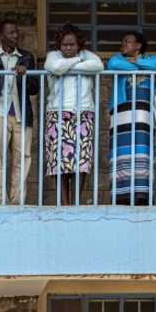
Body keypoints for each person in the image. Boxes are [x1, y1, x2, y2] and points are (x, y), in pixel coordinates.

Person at [0, 19, 39, 205]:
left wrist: (25, 74)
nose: (16, 35)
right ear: (1, 36)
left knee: (22, 159)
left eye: (17, 32)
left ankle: (17, 201)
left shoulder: (26, 57)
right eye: (11, 32)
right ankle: (0, 201)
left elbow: (34, 88)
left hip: (21, 115)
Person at [44, 23, 103, 206]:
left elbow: (98, 65)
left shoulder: (87, 55)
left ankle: (76, 202)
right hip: (57, 114)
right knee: (59, 163)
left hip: (83, 113)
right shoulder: (53, 56)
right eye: (65, 45)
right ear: (59, 45)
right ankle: (64, 203)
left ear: (79, 45)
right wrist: (77, 61)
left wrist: (70, 64)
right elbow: (54, 67)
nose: (68, 48)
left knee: (81, 162)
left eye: (72, 45)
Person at [107, 31, 156, 205]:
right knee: (121, 151)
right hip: (121, 113)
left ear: (138, 45)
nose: (123, 44)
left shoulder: (150, 59)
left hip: (143, 115)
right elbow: (113, 64)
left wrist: (138, 62)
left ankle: (142, 194)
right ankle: (122, 194)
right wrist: (138, 65)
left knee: (143, 151)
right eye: (123, 41)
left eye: (128, 42)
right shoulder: (118, 58)